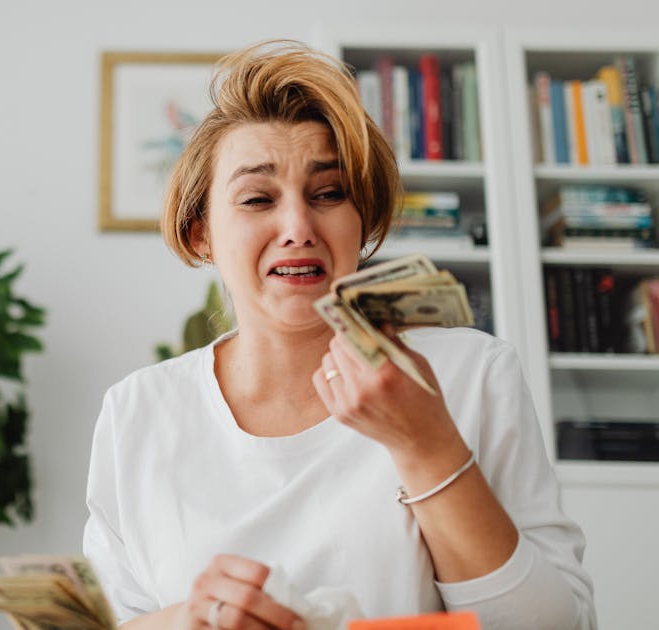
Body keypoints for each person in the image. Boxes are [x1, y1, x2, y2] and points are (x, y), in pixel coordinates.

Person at [82, 40, 595, 630]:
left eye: (328, 194)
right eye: (257, 199)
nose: (298, 227)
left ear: (362, 220)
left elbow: (560, 625)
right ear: (201, 235)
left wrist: (427, 447)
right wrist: (189, 621)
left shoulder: (473, 374)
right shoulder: (137, 411)